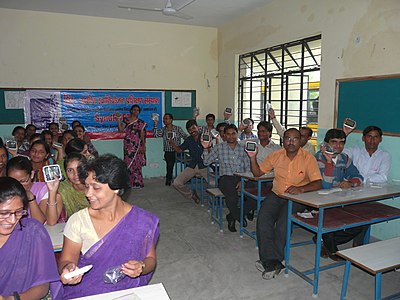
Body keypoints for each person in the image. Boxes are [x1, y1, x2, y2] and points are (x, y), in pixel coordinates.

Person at [59, 155, 159, 299]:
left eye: (96, 188)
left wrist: (141, 267)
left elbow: (150, 260)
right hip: (87, 290)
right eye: (87, 186)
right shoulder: (78, 221)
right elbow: (66, 260)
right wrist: (68, 269)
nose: (88, 193)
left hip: (128, 291)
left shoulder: (142, 220)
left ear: (116, 188)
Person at [247, 128, 322, 279]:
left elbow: (318, 183)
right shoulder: (276, 155)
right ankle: (272, 261)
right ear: (283, 140)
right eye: (288, 138)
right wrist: (252, 157)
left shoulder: (308, 158)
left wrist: (301, 189)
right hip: (276, 194)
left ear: (300, 140)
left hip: (297, 198)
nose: (291, 142)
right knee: (263, 219)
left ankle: (273, 260)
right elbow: (257, 173)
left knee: (283, 223)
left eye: (295, 139)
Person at [0, 177, 62, 300]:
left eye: (18, 212)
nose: (13, 220)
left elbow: (43, 284)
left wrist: (13, 299)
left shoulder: (32, 231)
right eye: (4, 213)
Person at [315, 128, 364, 260]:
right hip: (319, 200)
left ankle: (326, 240)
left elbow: (358, 176)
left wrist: (351, 183)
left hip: (340, 197)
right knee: (329, 218)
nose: (338, 146)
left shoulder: (344, 158)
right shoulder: (317, 158)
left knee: (363, 220)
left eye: (342, 142)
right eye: (334, 142)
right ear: (326, 144)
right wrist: (329, 162)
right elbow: (325, 186)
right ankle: (331, 248)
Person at [202, 124, 253, 232]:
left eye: (233, 133)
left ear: (237, 134)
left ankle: (233, 216)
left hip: (241, 178)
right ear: (224, 135)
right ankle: (237, 217)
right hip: (226, 178)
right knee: (233, 197)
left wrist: (243, 180)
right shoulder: (219, 147)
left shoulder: (243, 148)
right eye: (228, 134)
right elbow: (206, 162)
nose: (231, 136)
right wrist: (206, 148)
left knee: (256, 195)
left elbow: (248, 167)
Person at [7, 156, 66, 225]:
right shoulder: (6, 190)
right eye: (13, 181)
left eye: (23, 181)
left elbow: (39, 222)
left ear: (32, 174)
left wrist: (31, 199)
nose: (18, 186)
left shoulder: (43, 190)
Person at [170, 119, 208, 203]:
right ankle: (191, 195)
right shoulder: (188, 140)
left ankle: (213, 200)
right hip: (192, 166)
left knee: (214, 183)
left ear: (197, 127)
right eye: (190, 130)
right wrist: (171, 143)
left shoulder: (204, 137)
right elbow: (179, 150)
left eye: (193, 128)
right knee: (176, 183)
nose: (192, 131)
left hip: (205, 166)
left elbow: (211, 150)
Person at [153, 113, 188, 185]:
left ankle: (187, 178)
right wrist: (155, 125)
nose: (164, 120)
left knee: (189, 160)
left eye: (166, 118)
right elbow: (156, 135)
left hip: (178, 150)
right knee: (169, 165)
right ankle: (169, 179)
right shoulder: (163, 129)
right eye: (164, 119)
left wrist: (183, 146)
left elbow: (185, 137)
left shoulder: (178, 129)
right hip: (168, 151)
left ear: (171, 120)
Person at [117, 104, 147, 189]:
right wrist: (118, 120)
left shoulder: (141, 122)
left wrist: (143, 146)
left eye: (137, 110)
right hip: (128, 145)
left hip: (137, 145)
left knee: (137, 164)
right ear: (131, 111)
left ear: (139, 112)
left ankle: (138, 183)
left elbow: (142, 135)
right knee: (128, 163)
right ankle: (129, 183)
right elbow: (120, 130)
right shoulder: (126, 120)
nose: (135, 111)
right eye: (134, 110)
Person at [57, 153, 89, 218]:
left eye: (79, 169)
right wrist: (52, 191)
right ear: (66, 173)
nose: (76, 174)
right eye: (70, 170)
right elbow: (52, 221)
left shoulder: (96, 186)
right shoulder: (63, 188)